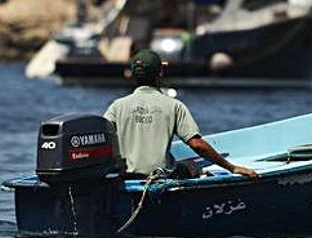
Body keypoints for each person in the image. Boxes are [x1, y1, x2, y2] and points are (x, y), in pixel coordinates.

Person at [105, 50, 258, 179]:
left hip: (127, 176)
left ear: (132, 74)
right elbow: (197, 145)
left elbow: (101, 137)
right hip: (160, 176)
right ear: (160, 73)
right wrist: (232, 168)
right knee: (191, 165)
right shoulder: (174, 105)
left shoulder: (116, 106)